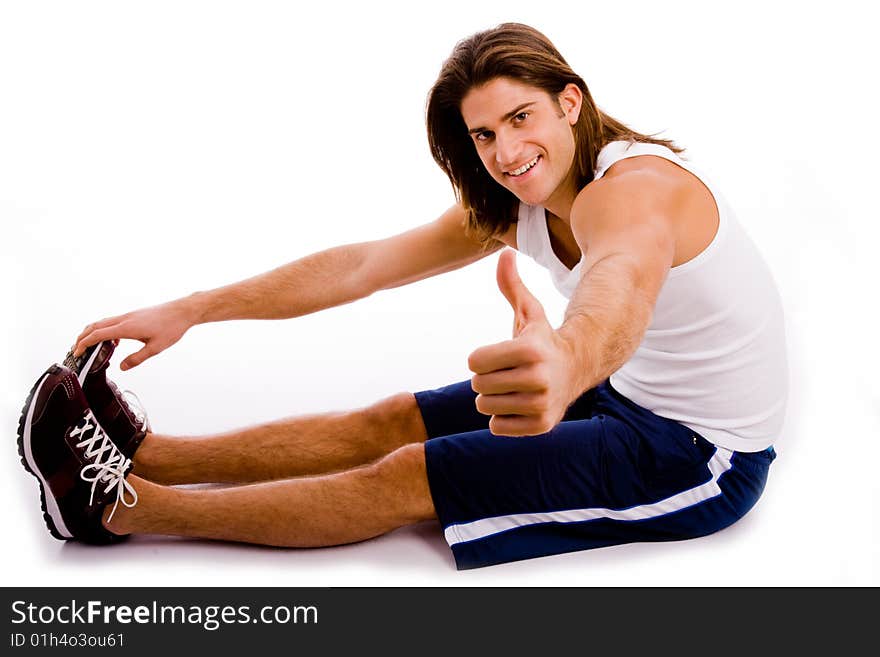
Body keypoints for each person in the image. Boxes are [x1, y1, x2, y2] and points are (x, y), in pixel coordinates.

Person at [17, 22, 787, 570]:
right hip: (622, 393)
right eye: (484, 136)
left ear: (571, 103)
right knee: (389, 418)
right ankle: (149, 457)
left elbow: (621, 283)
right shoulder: (519, 200)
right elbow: (361, 267)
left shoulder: (637, 191)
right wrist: (191, 306)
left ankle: (118, 509)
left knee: (402, 474)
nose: (508, 153)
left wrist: (570, 358)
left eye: (521, 117)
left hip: (697, 454)